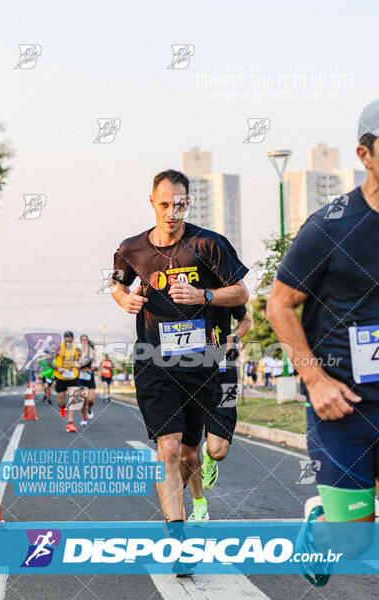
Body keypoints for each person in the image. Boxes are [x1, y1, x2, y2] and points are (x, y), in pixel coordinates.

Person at [267, 99, 379, 586]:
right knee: (355, 541)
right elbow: (279, 304)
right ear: (366, 154)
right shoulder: (331, 225)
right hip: (343, 405)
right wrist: (312, 379)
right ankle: (321, 530)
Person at [111, 168, 248, 526]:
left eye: (180, 205)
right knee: (169, 449)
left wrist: (203, 294)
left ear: (189, 203)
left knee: (212, 452)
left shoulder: (209, 245)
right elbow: (114, 284)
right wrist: (123, 298)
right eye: (165, 205)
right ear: (152, 203)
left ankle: (198, 471)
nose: (172, 214)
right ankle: (177, 535)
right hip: (155, 361)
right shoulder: (130, 249)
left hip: (210, 362)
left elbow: (241, 294)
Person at [187, 307, 253, 522]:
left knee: (218, 451)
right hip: (188, 374)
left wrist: (234, 337)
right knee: (187, 449)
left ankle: (209, 458)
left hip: (227, 373)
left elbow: (246, 320)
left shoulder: (223, 288)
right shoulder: (174, 293)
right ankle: (199, 504)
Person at [51, 331, 82, 433]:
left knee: (73, 399)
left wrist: (79, 363)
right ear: (63, 340)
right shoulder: (58, 348)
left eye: (70, 340)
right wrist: (57, 368)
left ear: (73, 340)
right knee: (62, 402)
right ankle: (62, 407)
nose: (68, 342)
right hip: (60, 377)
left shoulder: (76, 349)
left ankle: (70, 423)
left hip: (73, 376)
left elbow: (80, 360)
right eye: (66, 340)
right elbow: (49, 361)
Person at [77, 335, 97, 425]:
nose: (84, 341)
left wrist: (92, 368)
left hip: (89, 377)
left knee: (91, 400)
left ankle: (89, 408)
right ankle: (84, 418)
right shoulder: (78, 351)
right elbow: (74, 364)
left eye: (86, 340)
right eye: (82, 340)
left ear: (87, 341)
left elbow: (95, 364)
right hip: (81, 377)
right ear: (80, 341)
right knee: (83, 400)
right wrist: (80, 368)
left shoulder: (92, 351)